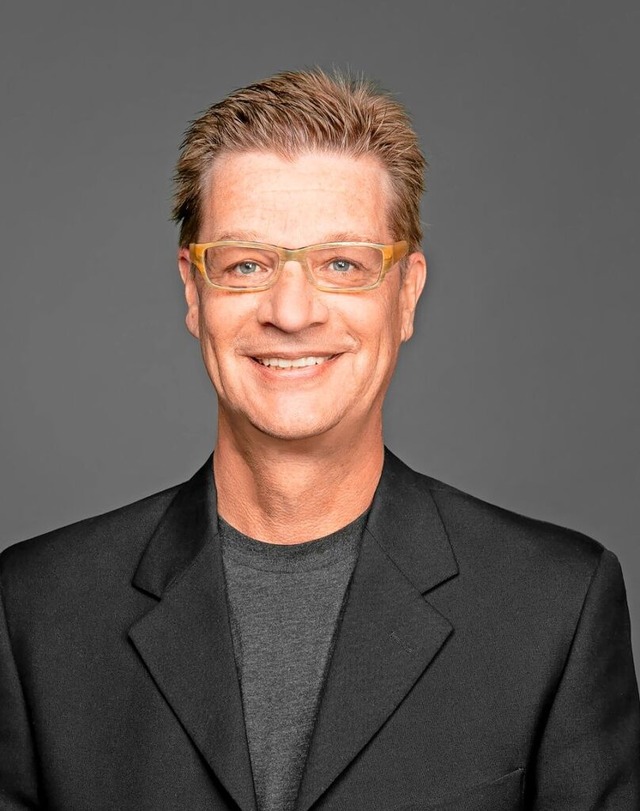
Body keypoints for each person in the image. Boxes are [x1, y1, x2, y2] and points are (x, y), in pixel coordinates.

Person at [0, 69, 638, 811]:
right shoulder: (35, 611)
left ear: (407, 294)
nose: (293, 311)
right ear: (193, 292)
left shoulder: (556, 606)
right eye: (246, 264)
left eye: (343, 264)